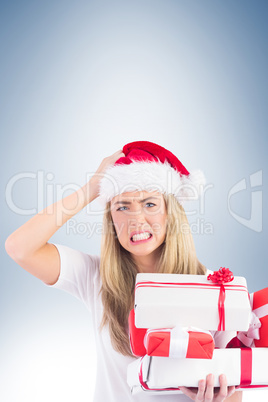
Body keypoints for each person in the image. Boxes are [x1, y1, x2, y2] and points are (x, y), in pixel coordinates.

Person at [5, 141, 242, 401]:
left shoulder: (213, 288)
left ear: (170, 213)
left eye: (150, 204)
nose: (136, 219)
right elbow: (20, 247)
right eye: (122, 206)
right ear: (112, 219)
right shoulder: (95, 276)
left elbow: (233, 387)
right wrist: (91, 189)